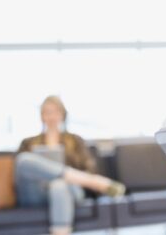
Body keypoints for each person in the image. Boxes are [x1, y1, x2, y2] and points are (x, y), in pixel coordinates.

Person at [15, 95, 125, 235]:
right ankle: (93, 182)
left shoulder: (75, 141)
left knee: (59, 185)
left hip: (69, 190)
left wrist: (63, 179)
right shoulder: (28, 143)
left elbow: (89, 168)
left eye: (55, 111)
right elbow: (21, 173)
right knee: (23, 159)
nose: (51, 116)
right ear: (41, 115)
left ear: (62, 114)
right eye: (47, 112)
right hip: (37, 192)